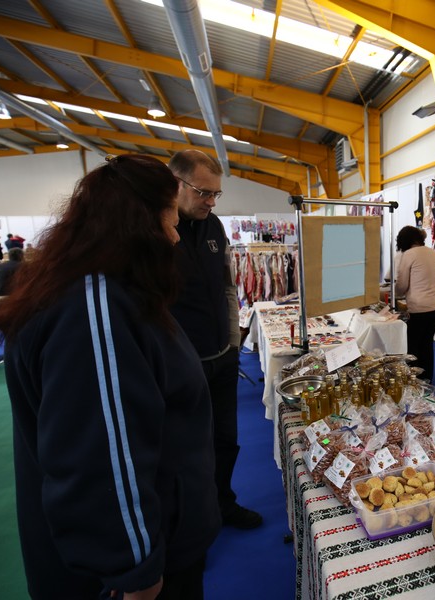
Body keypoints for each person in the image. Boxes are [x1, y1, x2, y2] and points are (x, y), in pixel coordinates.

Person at [0, 154, 220, 600]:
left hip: (162, 543)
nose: (174, 236)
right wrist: (134, 571)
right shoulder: (93, 310)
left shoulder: (109, 295)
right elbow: (103, 453)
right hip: (132, 576)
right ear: (136, 224)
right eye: (168, 219)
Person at [168, 149, 263, 530]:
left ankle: (223, 503)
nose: (210, 201)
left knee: (226, 441)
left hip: (221, 358)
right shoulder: (156, 229)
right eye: (202, 192)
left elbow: (228, 287)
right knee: (184, 450)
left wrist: (233, 345)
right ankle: (191, 522)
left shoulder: (215, 226)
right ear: (176, 184)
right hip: (180, 365)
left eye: (215, 194)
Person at [394, 225, 435, 382]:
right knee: (427, 343)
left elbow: (402, 286)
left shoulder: (409, 254)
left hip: (420, 307)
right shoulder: (431, 252)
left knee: (413, 344)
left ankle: (414, 379)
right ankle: (427, 377)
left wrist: (393, 292)